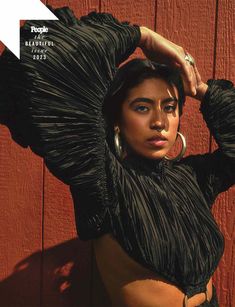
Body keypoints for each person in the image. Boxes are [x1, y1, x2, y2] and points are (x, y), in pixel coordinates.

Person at [0, 6, 234, 307]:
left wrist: (201, 90)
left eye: (170, 107)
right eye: (142, 107)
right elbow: (22, 30)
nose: (160, 121)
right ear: (116, 120)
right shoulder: (102, 177)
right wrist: (142, 36)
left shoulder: (191, 177)